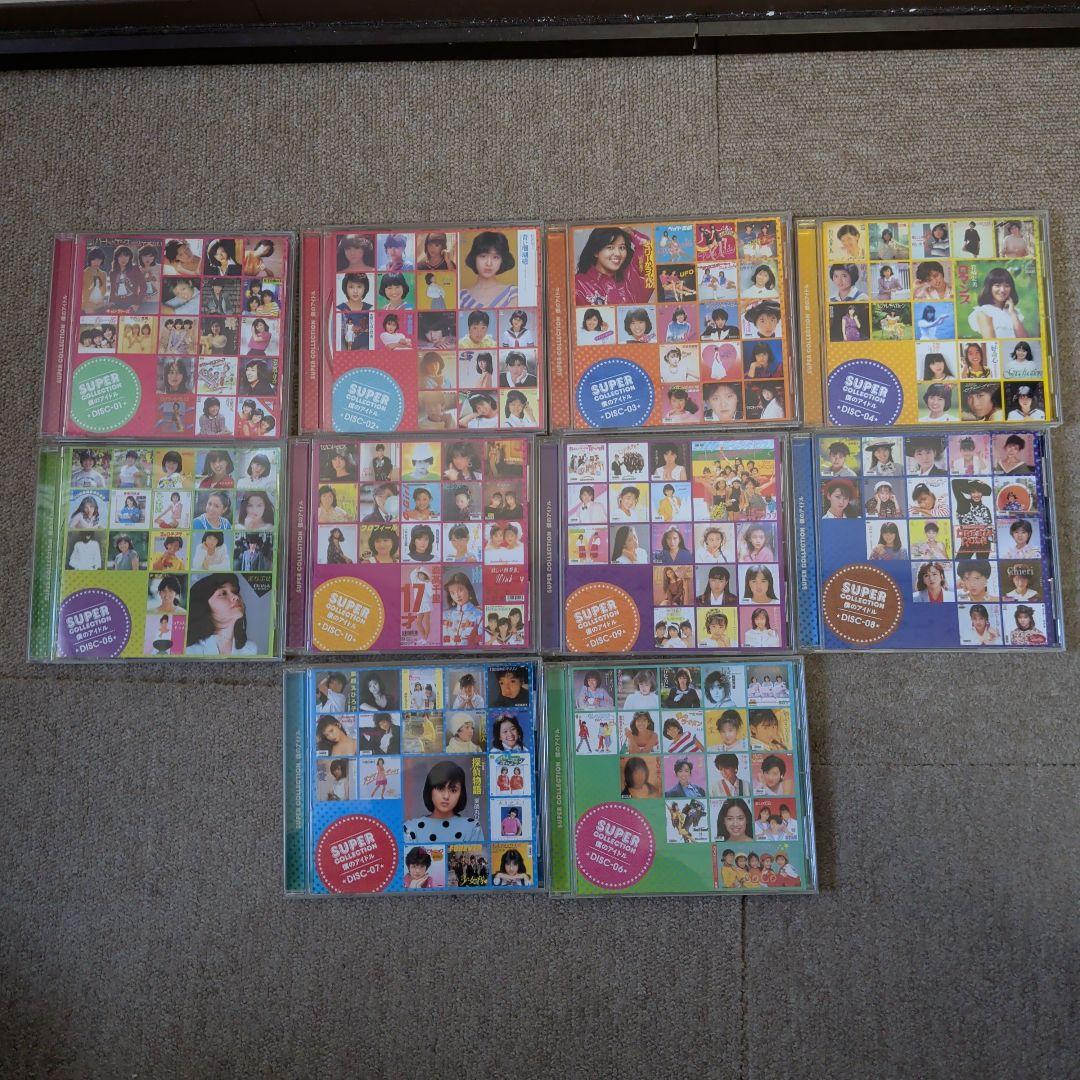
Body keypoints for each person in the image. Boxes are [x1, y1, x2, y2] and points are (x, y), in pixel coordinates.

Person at [405, 761, 484, 843]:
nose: (446, 796)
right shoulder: (411, 828)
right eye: (440, 788)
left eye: (453, 790)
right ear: (430, 790)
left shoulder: (472, 828)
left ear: (461, 793)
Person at [185, 573, 258, 656]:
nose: (235, 596)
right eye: (223, 593)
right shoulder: (190, 651)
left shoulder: (250, 649)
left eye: (235, 592)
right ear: (204, 606)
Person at [574, 226, 648, 306]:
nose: (618, 253)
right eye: (610, 247)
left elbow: (648, 249)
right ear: (596, 252)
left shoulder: (631, 280)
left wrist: (632, 233)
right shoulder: (578, 284)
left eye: (622, 247)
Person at [459, 231, 517, 308]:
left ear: (502, 260)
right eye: (483, 256)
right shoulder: (462, 297)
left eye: (495, 257)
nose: (489, 263)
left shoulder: (512, 293)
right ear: (474, 258)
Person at [968, 267, 1029, 338]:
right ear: (989, 287)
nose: (1002, 290)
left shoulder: (1014, 312)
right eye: (997, 285)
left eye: (1007, 286)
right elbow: (991, 342)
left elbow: (1025, 340)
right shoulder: (984, 312)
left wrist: (1012, 313)